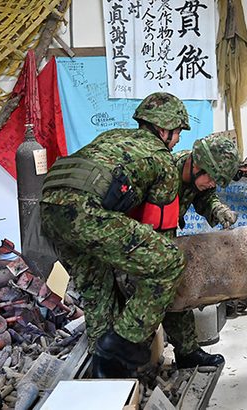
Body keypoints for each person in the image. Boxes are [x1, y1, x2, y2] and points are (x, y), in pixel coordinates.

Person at [40, 92, 191, 378]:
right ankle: (125, 343)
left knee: (97, 288)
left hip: (49, 209)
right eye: (178, 132)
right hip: (84, 210)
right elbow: (160, 229)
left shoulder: (113, 136)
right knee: (170, 262)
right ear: (163, 129)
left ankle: (105, 370)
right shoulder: (162, 159)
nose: (179, 140)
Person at [162, 132, 240, 367]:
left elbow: (206, 197)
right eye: (213, 178)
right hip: (138, 239)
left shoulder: (198, 175)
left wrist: (219, 210)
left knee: (177, 289)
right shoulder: (164, 172)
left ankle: (187, 352)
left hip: (164, 236)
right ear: (198, 164)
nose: (213, 184)